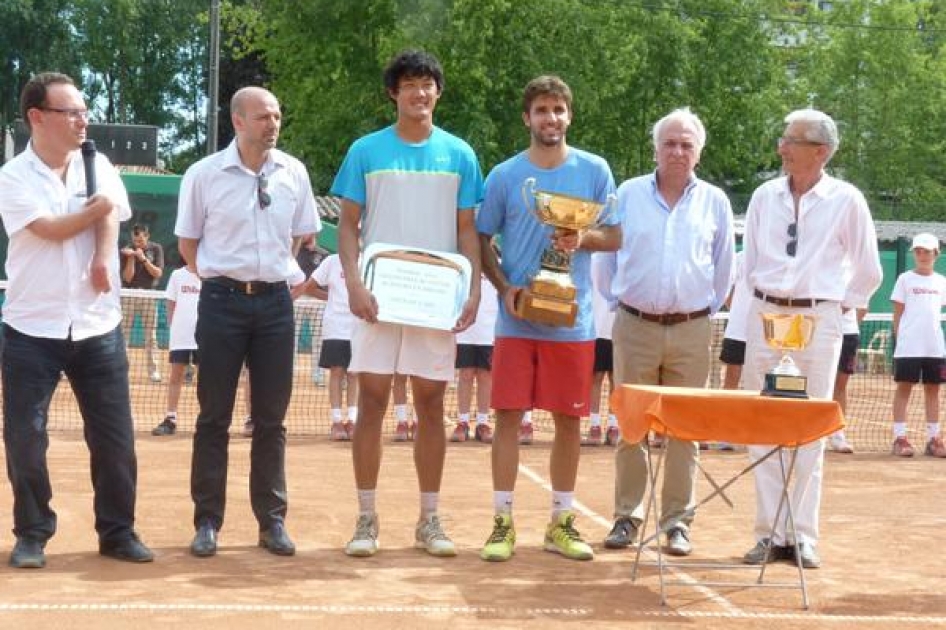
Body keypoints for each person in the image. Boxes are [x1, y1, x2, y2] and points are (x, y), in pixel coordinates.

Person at [333, 49, 483, 558]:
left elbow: (468, 231)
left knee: (431, 405)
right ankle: (367, 517)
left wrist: (472, 289)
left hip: (434, 304)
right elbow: (348, 226)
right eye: (410, 84)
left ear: (438, 92)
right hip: (377, 300)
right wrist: (353, 283)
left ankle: (429, 518)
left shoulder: (460, 154)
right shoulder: (364, 151)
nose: (420, 93)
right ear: (394, 93)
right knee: (371, 402)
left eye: (428, 84)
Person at [0, 71, 153, 568]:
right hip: (30, 330)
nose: (83, 120)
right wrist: (97, 211)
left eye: (85, 111)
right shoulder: (13, 176)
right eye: (72, 112)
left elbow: (109, 215)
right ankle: (32, 533)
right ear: (38, 118)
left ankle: (118, 532)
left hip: (97, 325)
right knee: (25, 437)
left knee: (115, 440)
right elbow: (48, 229)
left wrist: (102, 258)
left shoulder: (99, 164)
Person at [477, 75, 621, 563]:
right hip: (516, 322)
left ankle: (561, 521)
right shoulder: (503, 176)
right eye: (541, 110)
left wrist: (584, 239)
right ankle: (502, 524)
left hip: (572, 321)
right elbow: (480, 241)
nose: (550, 119)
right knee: (508, 419)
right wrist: (505, 289)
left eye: (558, 110)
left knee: (568, 421)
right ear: (527, 118)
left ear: (569, 116)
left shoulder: (595, 170)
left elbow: (615, 236)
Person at [176, 86, 320, 558]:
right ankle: (207, 522)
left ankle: (272, 521)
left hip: (277, 305)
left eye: (277, 115)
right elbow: (188, 246)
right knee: (214, 415)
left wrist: (268, 274)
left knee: (272, 418)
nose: (273, 124)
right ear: (238, 121)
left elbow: (303, 235)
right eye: (263, 116)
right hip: (220, 302)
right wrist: (227, 281)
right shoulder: (204, 174)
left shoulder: (293, 172)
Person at [740, 109, 882, 570]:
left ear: (820, 151)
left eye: (791, 140)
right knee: (762, 423)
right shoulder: (764, 196)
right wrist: (762, 303)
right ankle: (768, 533)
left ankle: (802, 537)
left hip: (818, 321)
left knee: (809, 427)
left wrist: (839, 308)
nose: (781, 147)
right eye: (783, 138)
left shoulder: (847, 200)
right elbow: (752, 262)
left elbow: (869, 269)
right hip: (767, 316)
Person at [595, 107, 734, 557]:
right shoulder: (627, 194)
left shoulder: (715, 200)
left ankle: (677, 522)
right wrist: (621, 301)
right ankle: (627, 516)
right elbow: (605, 260)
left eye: (686, 144)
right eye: (669, 143)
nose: (677, 151)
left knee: (685, 430)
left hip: (693, 330)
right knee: (631, 425)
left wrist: (701, 312)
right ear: (656, 148)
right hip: (634, 325)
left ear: (699, 151)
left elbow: (723, 268)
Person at [889, 233, 946, 459]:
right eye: (918, 251)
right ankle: (899, 438)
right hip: (908, 347)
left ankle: (933, 439)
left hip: (935, 347)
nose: (922, 255)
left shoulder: (942, 281)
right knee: (904, 389)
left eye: (927, 251)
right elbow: (898, 315)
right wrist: (900, 341)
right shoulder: (904, 279)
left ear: (936, 254)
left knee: (934, 391)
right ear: (914, 253)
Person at [305, 253, 359, 441]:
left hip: (360, 326)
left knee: (354, 373)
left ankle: (352, 420)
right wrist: (331, 298)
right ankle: (336, 421)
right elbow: (309, 287)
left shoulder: (368, 260)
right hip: (336, 325)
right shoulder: (331, 262)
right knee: (336, 371)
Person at [151, 264, 202, 436]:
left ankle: (206, 419)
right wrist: (175, 327)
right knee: (176, 375)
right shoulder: (177, 275)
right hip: (181, 336)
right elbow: (170, 303)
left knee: (206, 380)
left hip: (205, 336)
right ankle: (170, 418)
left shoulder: (211, 274)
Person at [451, 273, 499, 444]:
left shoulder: (498, 264)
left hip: (490, 330)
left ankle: (482, 423)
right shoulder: (465, 264)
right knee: (465, 374)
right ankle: (463, 422)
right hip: (466, 329)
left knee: (486, 376)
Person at [120, 223, 165, 382]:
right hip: (129, 295)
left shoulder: (156, 249)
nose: (137, 243)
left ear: (147, 236)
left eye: (140, 240)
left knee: (151, 336)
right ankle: (121, 370)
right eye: (135, 240)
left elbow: (158, 273)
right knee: (123, 335)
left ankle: (153, 371)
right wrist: (132, 257)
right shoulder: (126, 250)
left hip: (149, 296)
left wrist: (143, 258)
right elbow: (127, 278)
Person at [584, 273, 619, 447]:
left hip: (619, 331)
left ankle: (614, 426)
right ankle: (594, 426)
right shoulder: (595, 259)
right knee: (595, 378)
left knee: (616, 379)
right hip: (595, 330)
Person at [828, 306, 864, 454]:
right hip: (823, 333)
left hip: (849, 334)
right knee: (814, 384)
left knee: (840, 386)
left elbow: (863, 307)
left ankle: (838, 434)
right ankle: (811, 433)